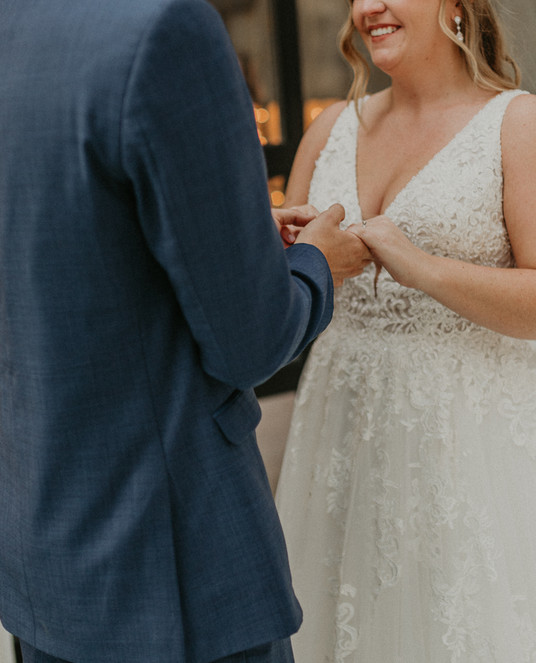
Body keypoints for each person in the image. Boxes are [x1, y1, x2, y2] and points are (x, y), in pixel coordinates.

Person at [0, 1, 372, 662]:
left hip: (45, 578)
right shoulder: (166, 27)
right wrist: (315, 264)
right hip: (174, 576)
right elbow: (252, 343)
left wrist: (234, 235)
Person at [275, 0, 536, 660]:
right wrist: (278, 255)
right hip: (337, 445)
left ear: (457, 6)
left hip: (469, 457)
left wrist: (422, 268)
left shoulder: (516, 123)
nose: (368, 8)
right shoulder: (328, 128)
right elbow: (280, 306)